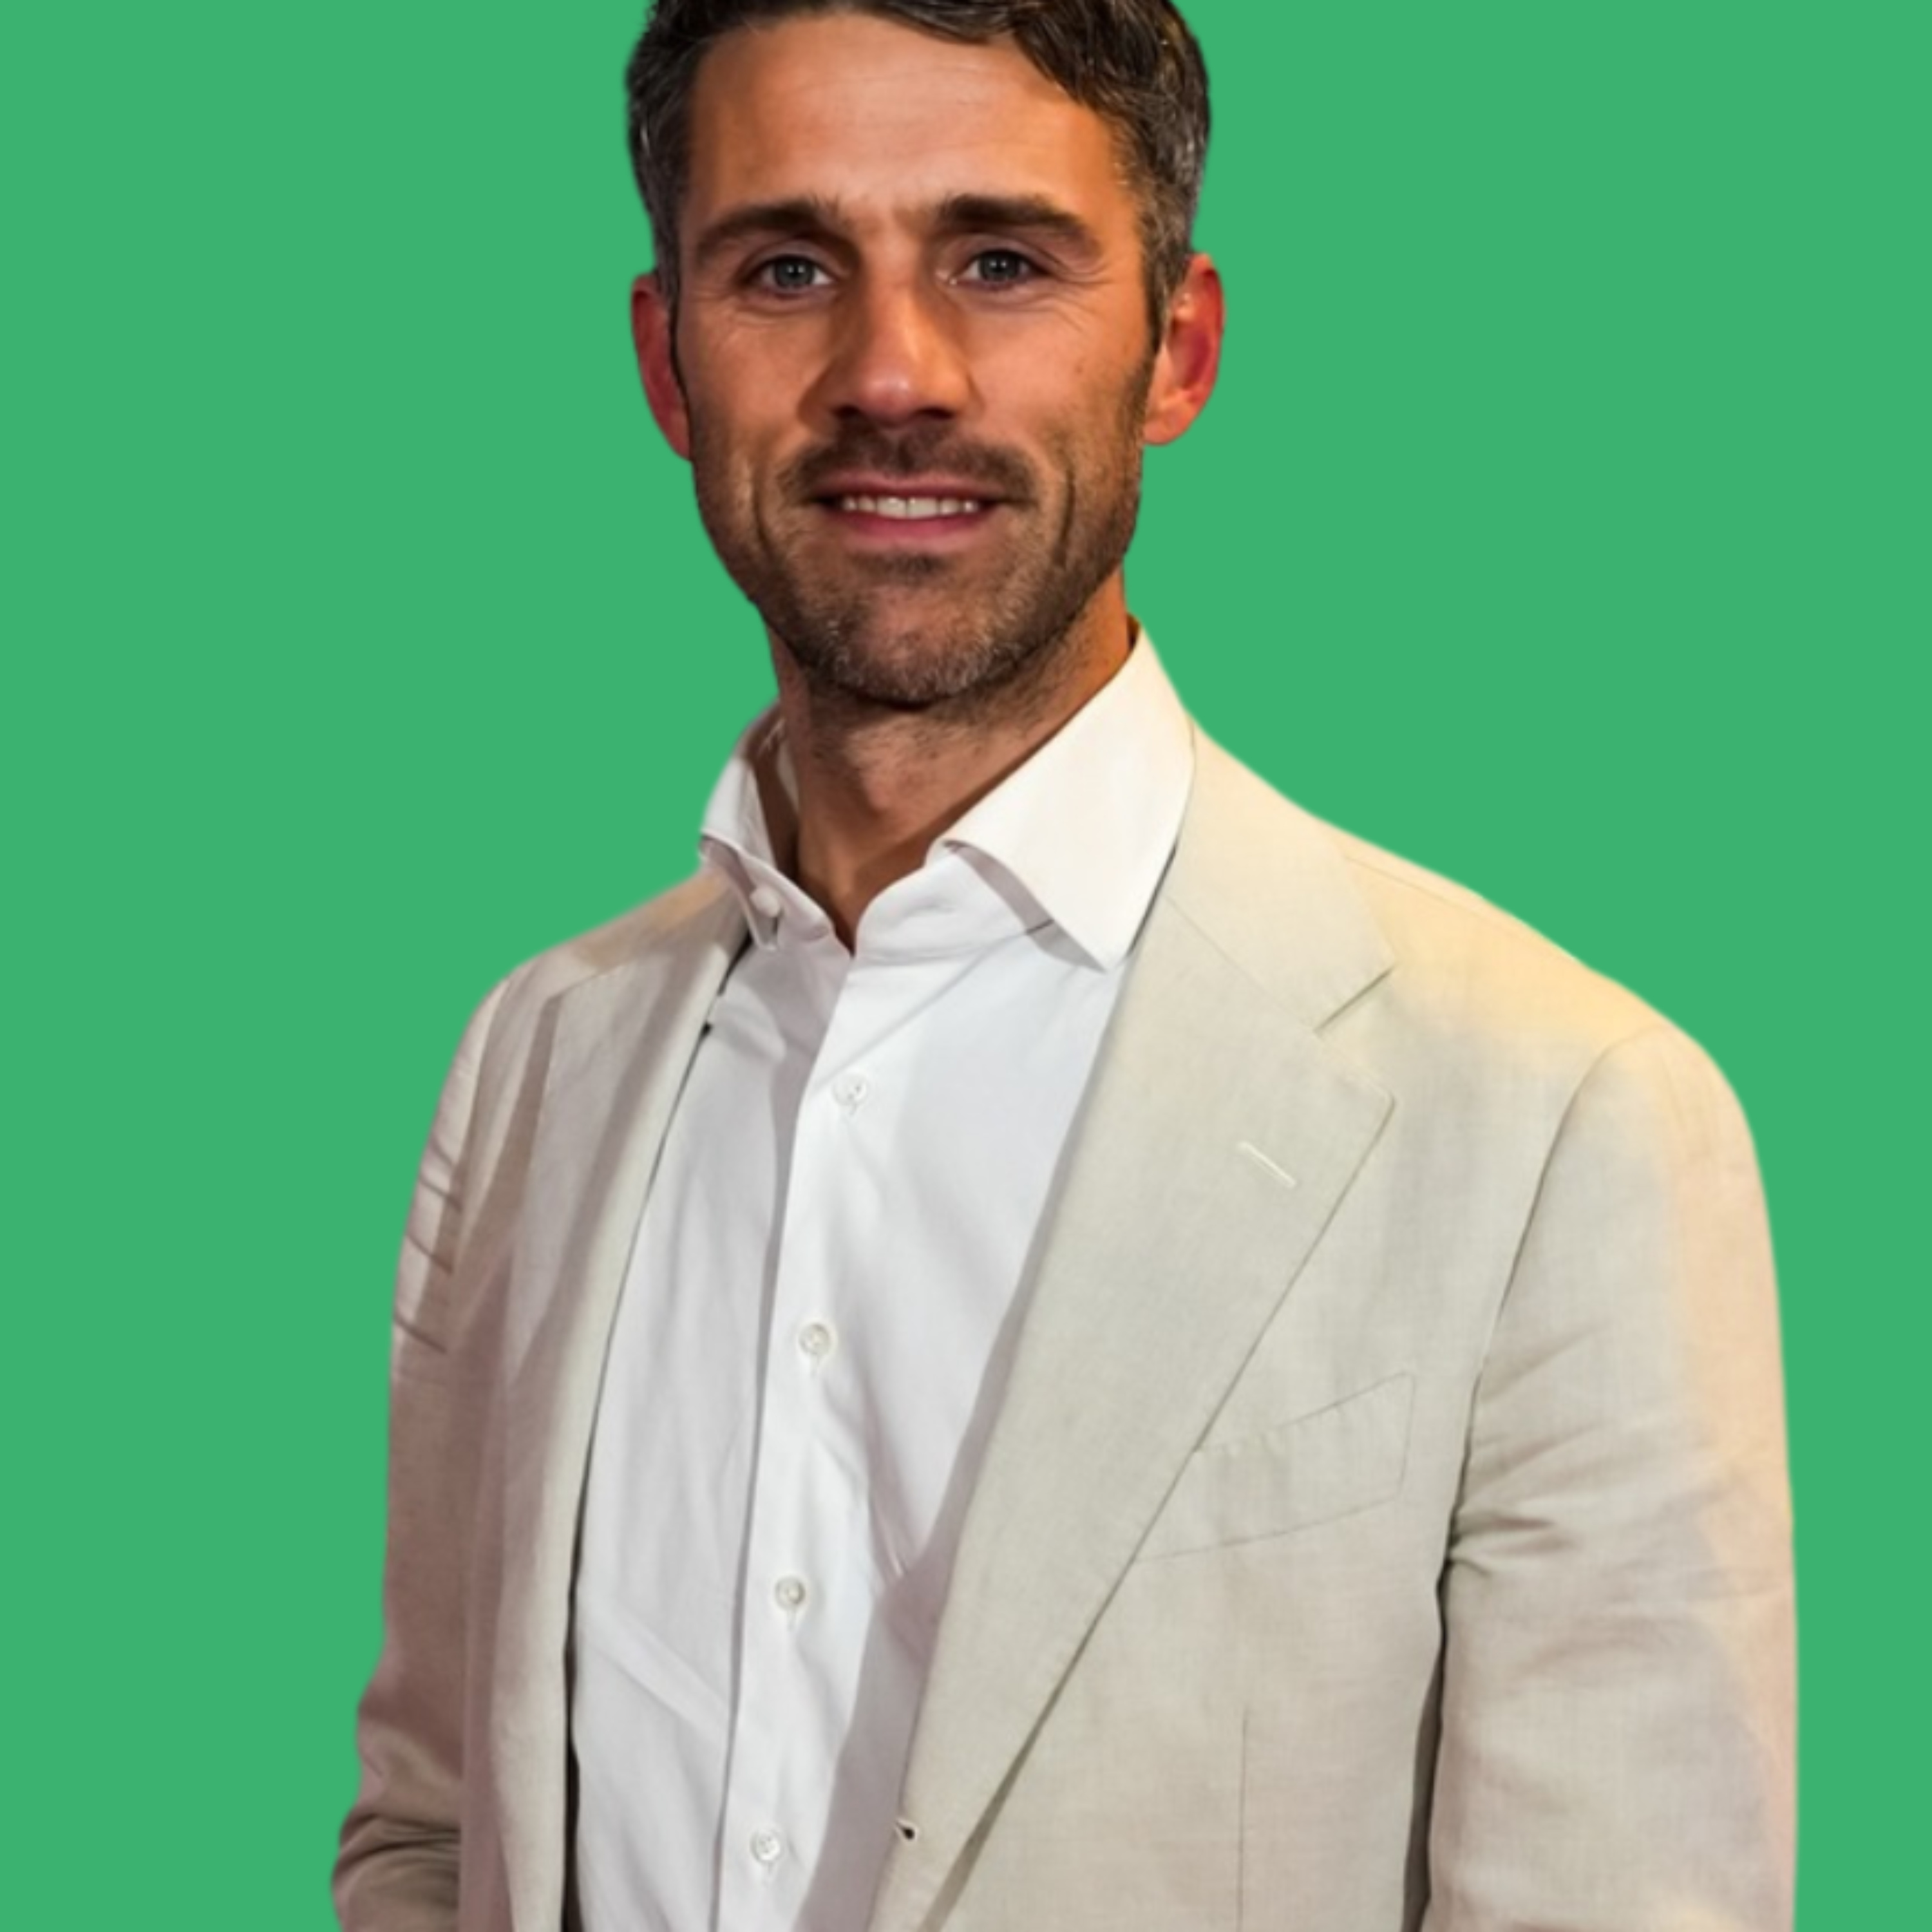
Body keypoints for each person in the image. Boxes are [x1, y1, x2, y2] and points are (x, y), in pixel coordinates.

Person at [335, 3, 1795, 1928]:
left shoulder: (1556, 1121)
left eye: (1002, 262)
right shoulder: (541, 1056)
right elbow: (439, 1837)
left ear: (1177, 348)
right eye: (788, 269)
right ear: (667, 360)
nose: (892, 373)